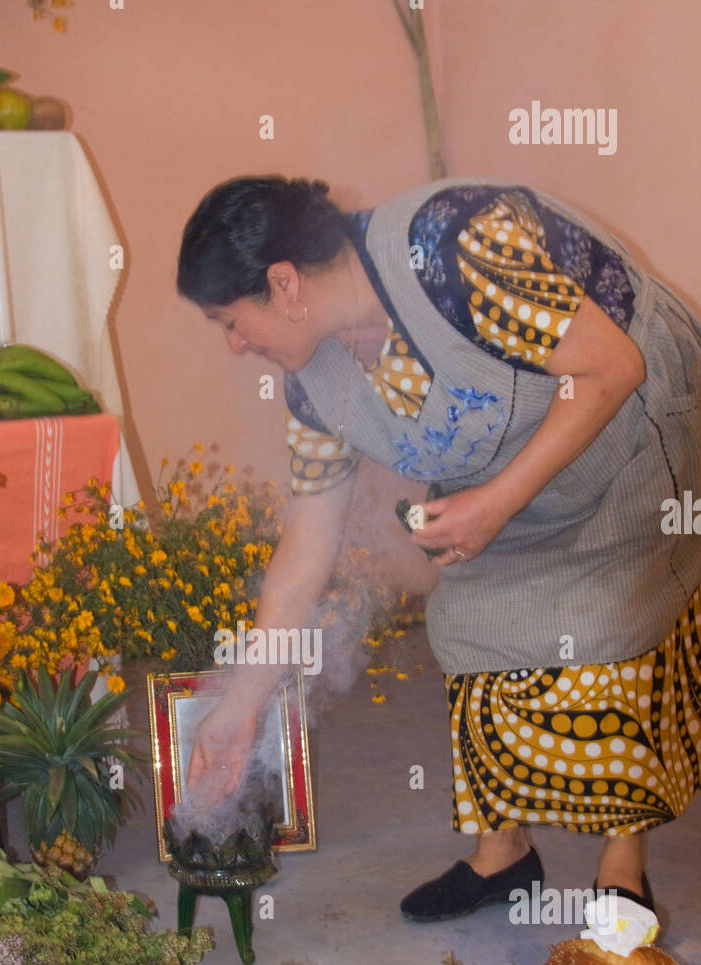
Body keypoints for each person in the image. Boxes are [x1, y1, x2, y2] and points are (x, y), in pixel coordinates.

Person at [176, 175, 701, 921]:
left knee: (610, 628)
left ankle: (622, 868)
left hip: (624, 426)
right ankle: (504, 858)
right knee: (467, 627)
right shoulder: (312, 380)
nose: (234, 346)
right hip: (517, 464)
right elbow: (305, 551)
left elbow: (610, 368)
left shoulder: (452, 247)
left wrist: (494, 504)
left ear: (283, 283)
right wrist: (241, 705)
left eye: (231, 321)